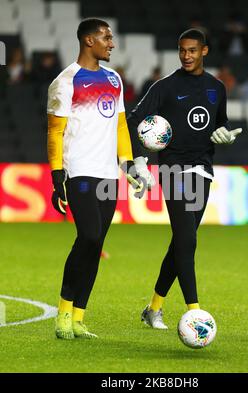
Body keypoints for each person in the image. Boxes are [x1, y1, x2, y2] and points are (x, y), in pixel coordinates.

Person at [127, 28, 242, 329]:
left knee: (182, 242)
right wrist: (140, 159)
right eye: (182, 50)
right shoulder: (164, 87)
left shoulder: (217, 88)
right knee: (187, 240)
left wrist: (225, 135)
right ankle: (195, 313)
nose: (186, 55)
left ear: (204, 51)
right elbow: (134, 117)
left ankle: (153, 309)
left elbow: (221, 122)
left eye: (192, 50)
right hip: (173, 169)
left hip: (202, 169)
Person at [47, 18, 154, 339]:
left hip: (109, 173)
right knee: (90, 236)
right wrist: (57, 177)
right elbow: (55, 131)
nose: (112, 43)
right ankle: (63, 311)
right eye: (106, 37)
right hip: (79, 171)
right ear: (88, 41)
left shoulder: (114, 79)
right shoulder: (66, 82)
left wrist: (129, 164)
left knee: (96, 246)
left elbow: (121, 126)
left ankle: (79, 317)